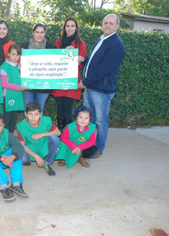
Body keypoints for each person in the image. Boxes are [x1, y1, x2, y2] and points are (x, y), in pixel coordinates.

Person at [78, 14, 125, 158]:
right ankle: (87, 144)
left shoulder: (116, 44)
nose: (108, 25)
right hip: (92, 87)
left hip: (101, 90)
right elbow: (95, 62)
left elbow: (104, 69)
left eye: (111, 23)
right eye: (105, 22)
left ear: (117, 26)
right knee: (88, 119)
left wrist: (85, 82)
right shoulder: (102, 39)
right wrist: (84, 60)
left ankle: (99, 148)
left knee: (100, 121)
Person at [52, 17, 87, 130]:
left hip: (71, 80)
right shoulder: (58, 42)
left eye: (72, 26)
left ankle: (66, 135)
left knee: (67, 109)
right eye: (68, 26)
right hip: (59, 79)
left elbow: (81, 64)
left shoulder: (81, 43)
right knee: (59, 108)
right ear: (64, 28)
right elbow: (53, 60)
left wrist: (77, 58)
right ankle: (60, 133)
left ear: (76, 28)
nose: (70, 28)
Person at [17, 101, 61, 177]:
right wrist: (36, 156)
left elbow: (58, 132)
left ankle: (48, 163)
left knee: (55, 138)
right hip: (29, 147)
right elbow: (22, 145)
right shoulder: (21, 126)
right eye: (30, 114)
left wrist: (42, 134)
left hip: (42, 144)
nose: (33, 117)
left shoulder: (46, 121)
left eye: (36, 114)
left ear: (40, 114)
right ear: (26, 114)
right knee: (22, 159)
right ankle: (27, 161)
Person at [21, 23, 56, 114]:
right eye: (37, 32)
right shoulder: (24, 47)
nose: (39, 35)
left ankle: (40, 129)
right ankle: (27, 129)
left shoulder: (51, 48)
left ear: (45, 33)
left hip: (44, 86)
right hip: (27, 85)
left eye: (42, 32)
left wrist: (68, 52)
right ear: (33, 32)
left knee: (40, 111)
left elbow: (56, 65)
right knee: (27, 111)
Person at [0, 44, 28, 134]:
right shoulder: (4, 67)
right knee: (6, 119)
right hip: (7, 97)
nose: (15, 57)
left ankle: (11, 136)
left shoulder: (18, 67)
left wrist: (20, 71)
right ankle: (3, 137)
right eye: (13, 54)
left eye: (17, 55)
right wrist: (18, 88)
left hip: (16, 96)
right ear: (8, 54)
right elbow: (3, 84)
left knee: (13, 119)